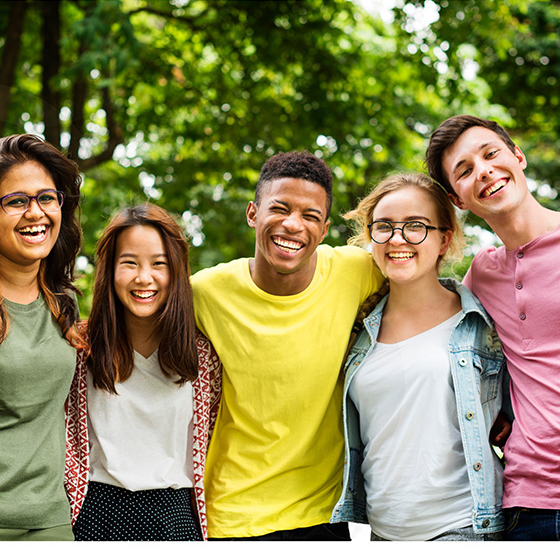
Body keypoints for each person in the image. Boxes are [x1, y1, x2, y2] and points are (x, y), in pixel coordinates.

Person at [191, 150, 384, 540]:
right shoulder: (204, 292)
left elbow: (426, 294)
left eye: (310, 216)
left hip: (323, 515)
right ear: (253, 214)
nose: (293, 225)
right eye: (280, 209)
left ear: (325, 227)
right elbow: (131, 324)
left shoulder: (357, 271)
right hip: (234, 515)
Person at [330, 172, 505, 541]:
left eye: (415, 226)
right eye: (384, 227)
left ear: (444, 239)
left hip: (462, 528)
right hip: (381, 535)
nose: (397, 239)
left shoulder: (479, 324)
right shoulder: (356, 329)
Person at [426, 115, 560, 541]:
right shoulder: (481, 275)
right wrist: (498, 403)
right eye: (464, 171)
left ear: (517, 156)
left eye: (490, 154)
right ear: (459, 199)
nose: (482, 171)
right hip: (528, 502)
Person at [71, 203, 221, 541]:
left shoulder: (202, 356)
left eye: (159, 264)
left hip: (177, 518)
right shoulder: (79, 348)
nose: (144, 277)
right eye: (129, 263)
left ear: (177, 271)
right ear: (109, 270)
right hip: (96, 514)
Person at [0, 134, 84, 541]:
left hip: (50, 517)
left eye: (47, 198)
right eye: (16, 201)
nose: (37, 213)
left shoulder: (64, 305)